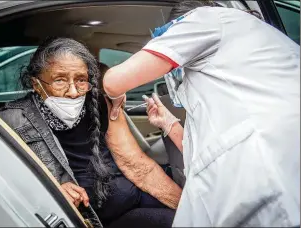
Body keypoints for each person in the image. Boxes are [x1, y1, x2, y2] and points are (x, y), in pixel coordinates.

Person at [103, 0, 300, 227]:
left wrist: (111, 93)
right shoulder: (235, 61)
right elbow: (202, 150)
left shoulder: (206, 18)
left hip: (267, 167)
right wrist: (169, 125)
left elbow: (113, 82)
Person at [0, 37, 182, 227]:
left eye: (81, 80)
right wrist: (50, 192)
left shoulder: (99, 103)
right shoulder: (11, 120)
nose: (74, 92)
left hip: (134, 198)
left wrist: (190, 206)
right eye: (60, 80)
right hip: (97, 219)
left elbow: (136, 165)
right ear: (36, 84)